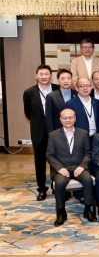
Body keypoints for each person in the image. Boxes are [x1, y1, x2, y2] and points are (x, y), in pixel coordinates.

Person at [46, 108, 96, 225]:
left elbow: (88, 153)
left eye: (70, 117)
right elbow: (50, 155)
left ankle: (88, 209)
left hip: (79, 167)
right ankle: (61, 212)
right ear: (60, 119)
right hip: (62, 168)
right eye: (65, 118)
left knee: (88, 180)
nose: (68, 120)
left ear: (75, 118)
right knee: (59, 184)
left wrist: (82, 166)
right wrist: (60, 168)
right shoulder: (53, 135)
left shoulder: (83, 133)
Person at [23, 64, 59, 200]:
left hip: (56, 130)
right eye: (41, 74)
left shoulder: (57, 89)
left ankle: (57, 186)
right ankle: (42, 189)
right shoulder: (29, 92)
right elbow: (28, 112)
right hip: (38, 132)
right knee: (40, 161)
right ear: (36, 76)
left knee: (57, 159)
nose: (44, 77)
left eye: (46, 74)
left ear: (51, 76)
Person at [45, 69, 76, 134]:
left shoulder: (77, 94)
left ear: (72, 80)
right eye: (63, 79)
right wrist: (51, 134)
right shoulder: (51, 96)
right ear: (58, 81)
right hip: (58, 132)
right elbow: (49, 118)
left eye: (68, 78)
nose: (66, 81)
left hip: (75, 131)